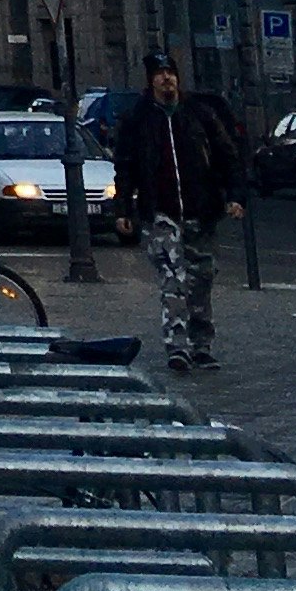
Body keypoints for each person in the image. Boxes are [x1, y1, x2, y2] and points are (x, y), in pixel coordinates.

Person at [110, 51, 247, 372]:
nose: (166, 78)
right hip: (161, 213)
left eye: (170, 72)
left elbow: (228, 156)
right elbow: (125, 167)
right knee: (172, 280)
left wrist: (235, 195)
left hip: (201, 209)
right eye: (159, 73)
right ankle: (177, 345)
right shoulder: (138, 119)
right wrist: (124, 209)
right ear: (150, 80)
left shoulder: (199, 115)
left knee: (201, 278)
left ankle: (202, 345)